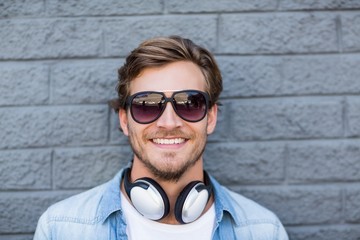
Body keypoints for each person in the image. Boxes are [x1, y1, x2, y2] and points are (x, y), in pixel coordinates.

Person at [34, 36, 289, 240]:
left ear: (210, 118)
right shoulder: (62, 228)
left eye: (189, 103)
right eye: (147, 104)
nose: (169, 123)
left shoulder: (263, 230)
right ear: (124, 120)